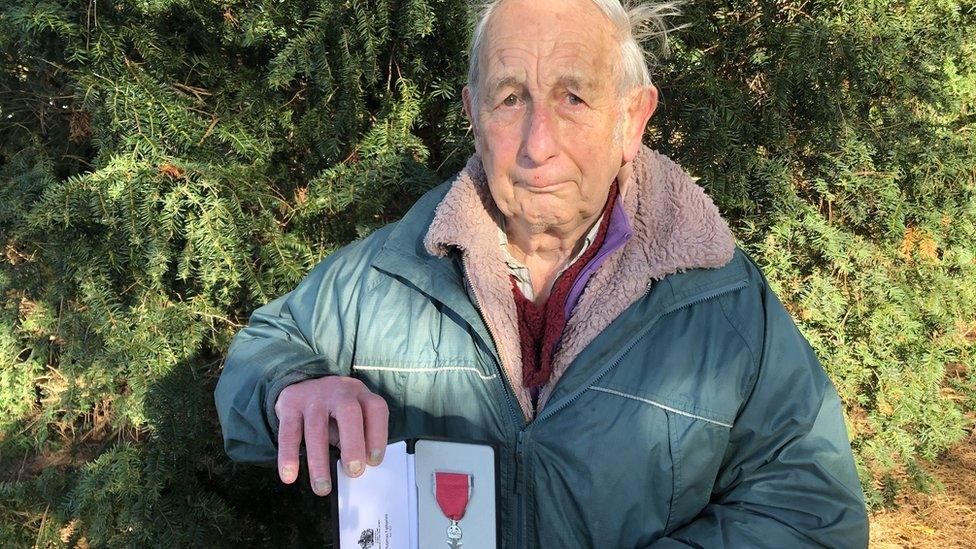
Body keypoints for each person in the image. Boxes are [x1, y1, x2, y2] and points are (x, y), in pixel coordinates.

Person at [214, 0, 870, 546]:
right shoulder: (392, 268)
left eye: (574, 97)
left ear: (631, 119)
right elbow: (268, 344)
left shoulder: (721, 298)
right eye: (510, 98)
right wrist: (293, 385)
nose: (537, 143)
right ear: (474, 116)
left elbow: (811, 505)